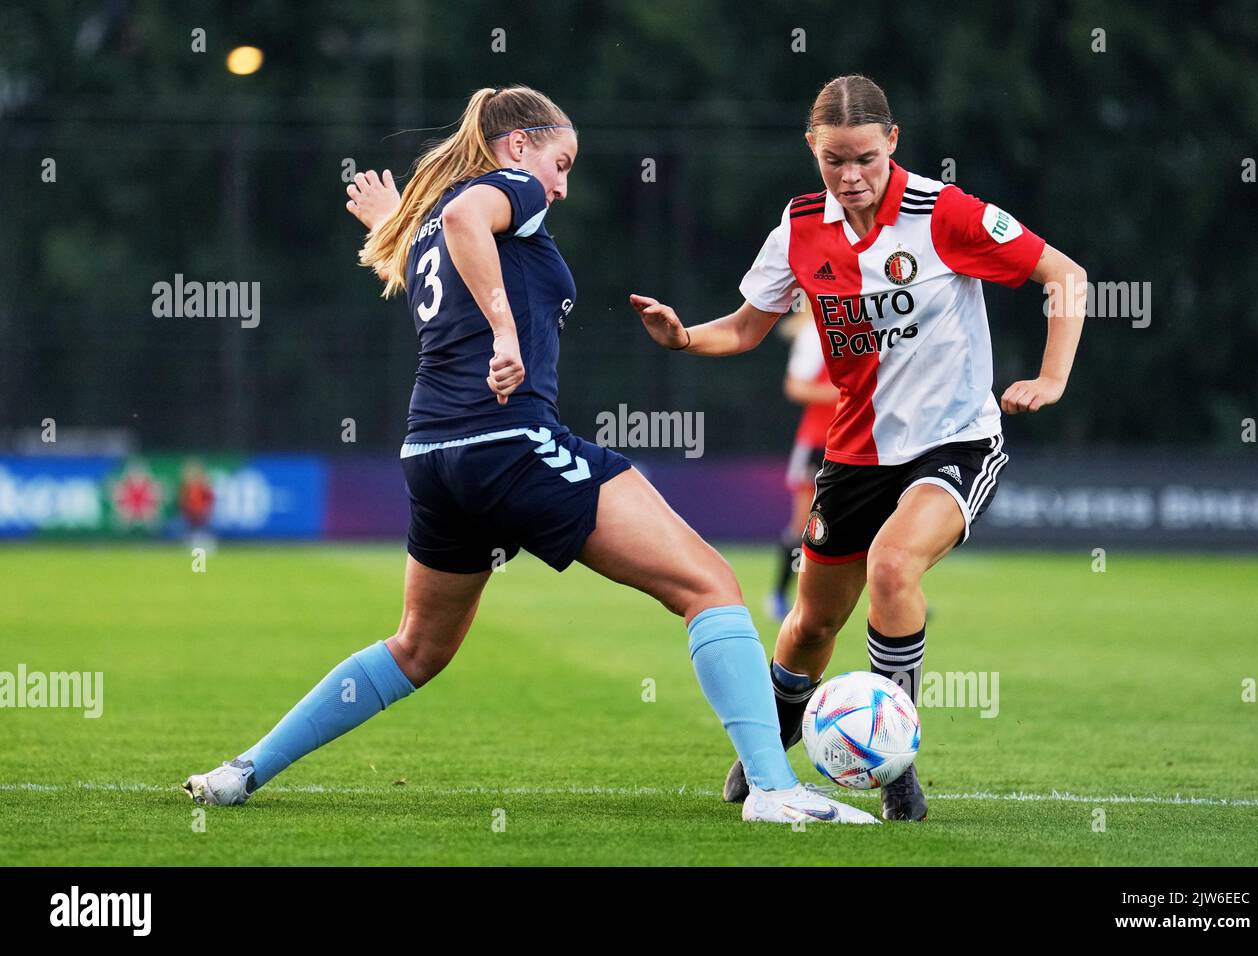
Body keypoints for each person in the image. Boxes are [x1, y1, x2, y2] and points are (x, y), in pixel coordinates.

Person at [183, 85, 878, 825]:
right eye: (560, 162)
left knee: (418, 647)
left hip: (433, 454)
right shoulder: (506, 189)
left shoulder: (433, 229)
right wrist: (507, 333)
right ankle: (773, 789)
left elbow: (444, 232)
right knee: (710, 584)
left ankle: (244, 770)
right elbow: (461, 216)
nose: (562, 184)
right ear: (519, 147)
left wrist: (394, 222)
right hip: (508, 441)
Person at [630, 74, 1086, 820]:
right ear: (812, 148)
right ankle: (771, 751)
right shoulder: (801, 225)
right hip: (854, 453)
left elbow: (1065, 275)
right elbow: (747, 327)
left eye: (866, 159)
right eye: (834, 160)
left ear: (894, 143)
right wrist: (684, 336)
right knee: (810, 626)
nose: (851, 178)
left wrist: (1052, 376)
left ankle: (895, 765)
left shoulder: (945, 212)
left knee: (894, 564)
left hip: (956, 442)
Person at [767, 307, 838, 622]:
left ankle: (899, 597)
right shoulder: (815, 335)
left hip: (858, 441)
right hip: (817, 442)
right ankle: (779, 596)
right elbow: (795, 386)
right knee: (804, 526)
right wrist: (844, 393)